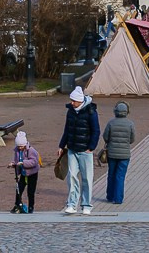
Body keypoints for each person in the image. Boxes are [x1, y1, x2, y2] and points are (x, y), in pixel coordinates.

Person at [57, 86, 100, 215]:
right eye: (71, 100)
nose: (72, 103)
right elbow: (67, 129)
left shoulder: (91, 112)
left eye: (74, 101)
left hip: (85, 151)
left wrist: (91, 147)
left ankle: (86, 205)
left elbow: (96, 131)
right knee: (72, 177)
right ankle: (72, 204)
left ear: (80, 101)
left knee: (87, 179)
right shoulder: (70, 111)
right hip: (72, 149)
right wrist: (61, 145)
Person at [102, 101, 135, 204]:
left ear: (115, 111)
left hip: (112, 153)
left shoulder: (111, 123)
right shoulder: (130, 124)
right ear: (127, 112)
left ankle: (110, 196)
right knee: (120, 176)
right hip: (125, 154)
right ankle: (118, 198)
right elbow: (132, 139)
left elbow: (105, 137)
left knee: (111, 174)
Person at [8, 131, 39, 214]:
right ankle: (17, 204)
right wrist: (13, 163)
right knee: (19, 189)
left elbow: (34, 162)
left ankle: (31, 206)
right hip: (23, 173)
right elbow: (16, 160)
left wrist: (23, 163)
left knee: (30, 191)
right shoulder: (17, 151)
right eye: (18, 146)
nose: (20, 148)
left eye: (21, 146)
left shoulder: (31, 150)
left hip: (32, 173)